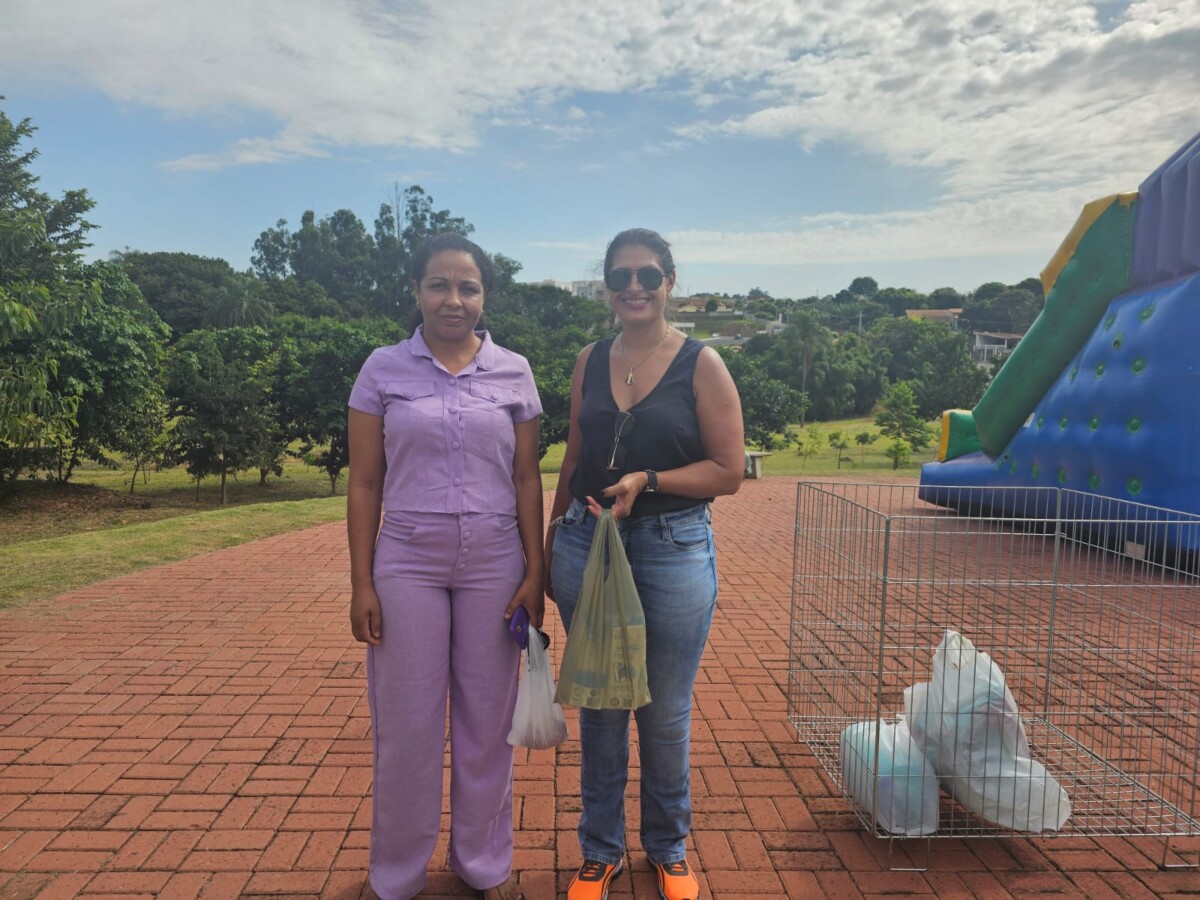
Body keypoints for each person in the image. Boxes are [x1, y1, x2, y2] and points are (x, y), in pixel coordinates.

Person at [545, 228, 744, 900]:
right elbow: (574, 455)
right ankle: (599, 850)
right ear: (607, 286)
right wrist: (551, 535)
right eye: (621, 276)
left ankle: (668, 847)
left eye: (648, 275)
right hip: (586, 543)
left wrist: (648, 480)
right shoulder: (590, 359)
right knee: (601, 706)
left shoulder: (701, 363)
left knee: (663, 711)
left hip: (671, 548)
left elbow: (728, 471)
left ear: (669, 282)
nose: (634, 287)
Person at [347, 233, 543, 900]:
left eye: (468, 287)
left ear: (484, 296)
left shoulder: (514, 371)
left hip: (495, 559)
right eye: (439, 285)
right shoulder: (382, 370)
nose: (453, 299)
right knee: (407, 725)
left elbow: (526, 478)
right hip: (407, 561)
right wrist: (361, 582)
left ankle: (481, 863)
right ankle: (397, 873)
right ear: (416, 290)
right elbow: (364, 482)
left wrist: (535, 572)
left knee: (489, 725)